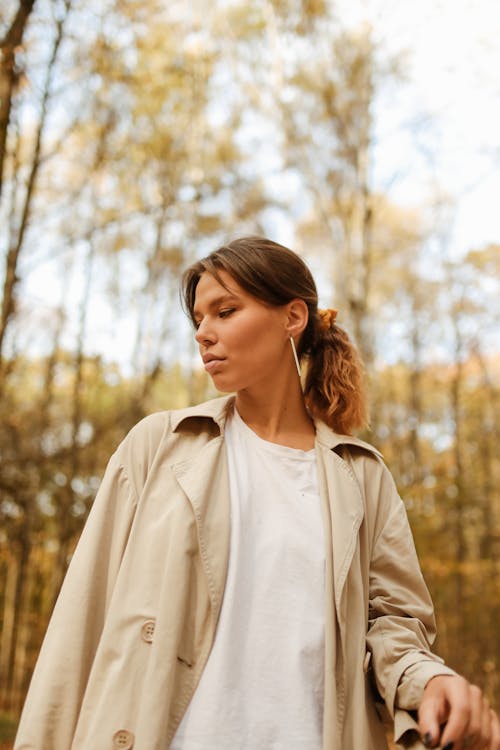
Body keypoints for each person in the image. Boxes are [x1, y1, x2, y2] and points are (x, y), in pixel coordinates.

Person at [14, 236, 499, 750]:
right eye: (198, 319)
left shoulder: (362, 475)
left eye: (225, 311)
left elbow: (396, 628)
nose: (204, 333)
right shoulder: (161, 445)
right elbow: (80, 621)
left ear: (293, 317)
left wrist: (432, 682)